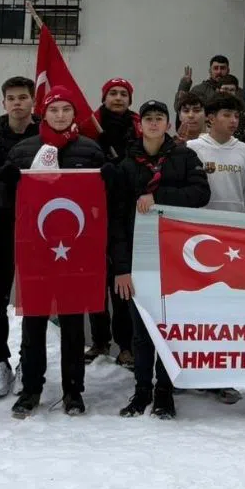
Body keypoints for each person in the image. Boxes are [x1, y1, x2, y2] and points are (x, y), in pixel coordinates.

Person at [0, 87, 108, 418]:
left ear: (75, 114)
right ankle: (31, 389)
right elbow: (6, 202)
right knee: (34, 325)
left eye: (66, 110)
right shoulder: (24, 150)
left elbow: (102, 201)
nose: (60, 115)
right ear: (43, 113)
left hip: (76, 251)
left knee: (74, 325)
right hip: (36, 250)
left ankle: (74, 391)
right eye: (54, 109)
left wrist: (110, 180)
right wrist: (4, 181)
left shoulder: (90, 150)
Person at [110, 99, 213, 419]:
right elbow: (116, 219)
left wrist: (158, 197)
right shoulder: (126, 164)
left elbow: (200, 194)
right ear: (140, 124)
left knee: (170, 327)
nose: (154, 124)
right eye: (148, 119)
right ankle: (142, 391)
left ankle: (165, 392)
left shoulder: (184, 156)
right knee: (142, 330)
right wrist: (121, 268)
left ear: (168, 124)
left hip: (176, 254)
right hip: (139, 257)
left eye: (160, 118)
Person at [0, 76, 38, 398]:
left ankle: (30, 359)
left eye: (23, 97)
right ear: (3, 103)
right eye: (11, 98)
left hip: (38, 235)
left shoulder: (45, 139)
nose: (17, 103)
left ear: (32, 101)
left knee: (33, 302)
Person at [87, 77, 140, 367]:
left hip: (125, 217)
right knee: (96, 283)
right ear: (104, 97)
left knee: (121, 286)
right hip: (92, 215)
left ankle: (125, 345)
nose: (118, 98)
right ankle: (99, 340)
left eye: (123, 94)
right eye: (113, 93)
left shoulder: (139, 126)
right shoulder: (89, 125)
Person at [187, 93, 245, 214]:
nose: (233, 120)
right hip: (201, 222)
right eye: (227, 115)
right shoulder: (192, 147)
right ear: (211, 118)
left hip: (236, 222)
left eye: (236, 116)